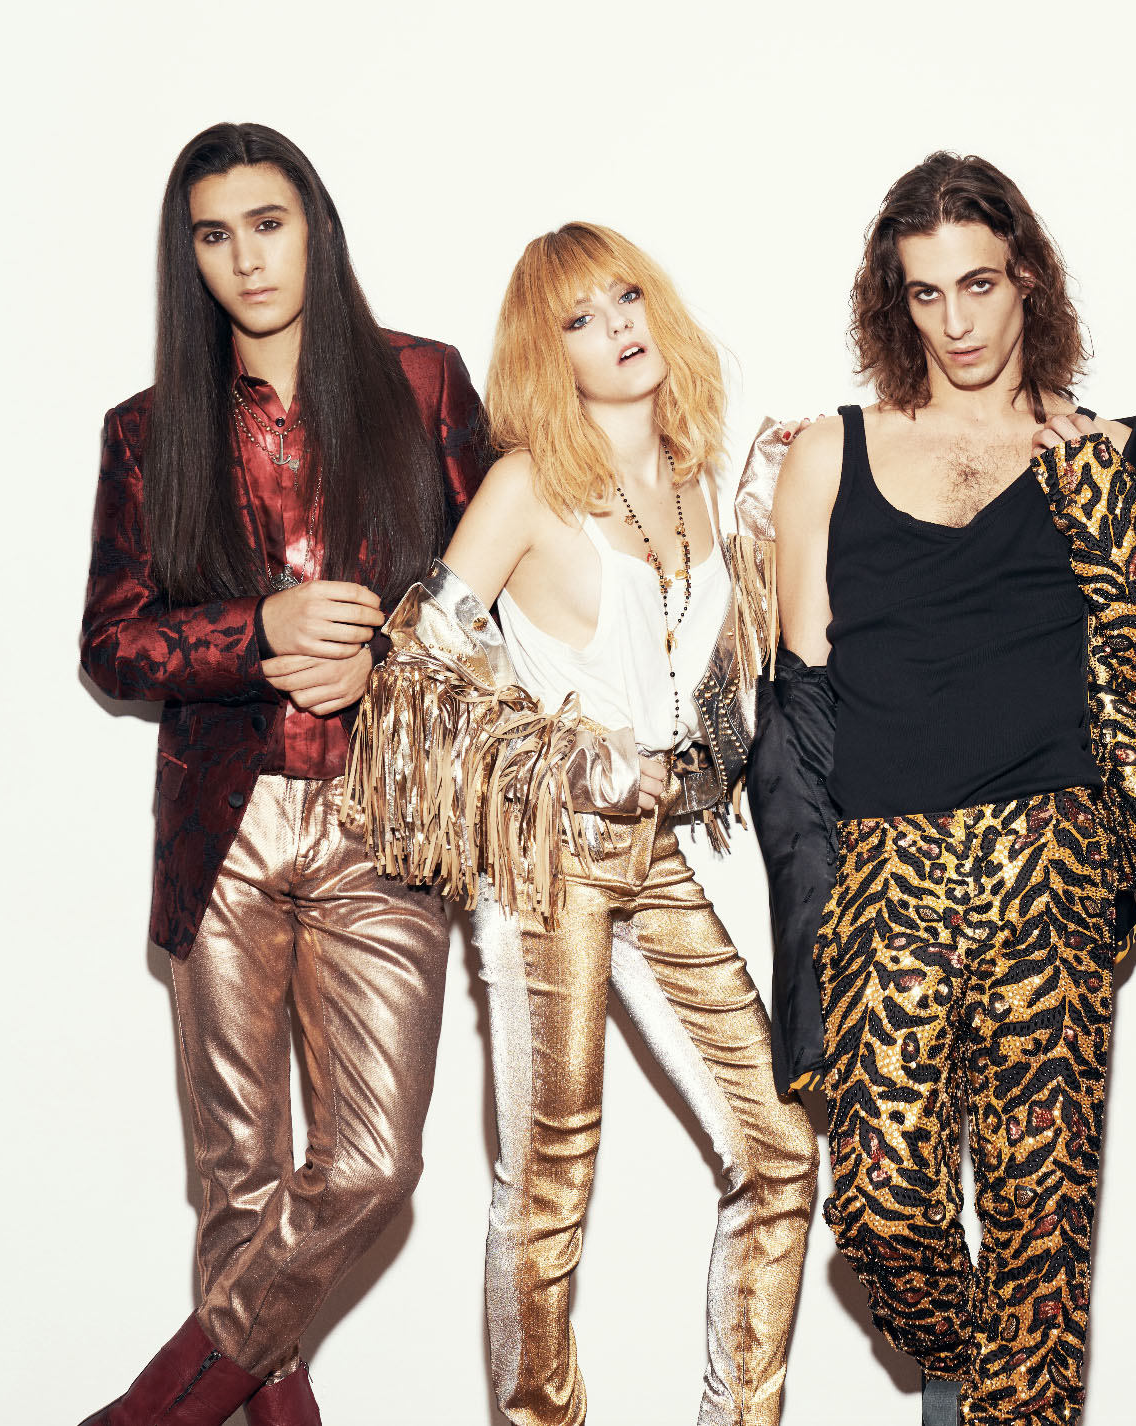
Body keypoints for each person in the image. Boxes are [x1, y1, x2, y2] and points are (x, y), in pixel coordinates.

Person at [340, 222, 816, 1426]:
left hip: (654, 854)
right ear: (547, 355)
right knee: (548, 1179)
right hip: (545, 858)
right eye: (580, 319)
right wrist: (568, 752)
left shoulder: (697, 477)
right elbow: (417, 670)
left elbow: (713, 677)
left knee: (778, 1152)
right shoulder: (526, 487)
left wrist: (768, 515)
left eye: (626, 298)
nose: (616, 328)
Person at [756, 152, 1136, 1426]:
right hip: (887, 869)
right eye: (925, 293)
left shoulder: (1103, 449)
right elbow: (800, 714)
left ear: (1028, 281)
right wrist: (806, 947)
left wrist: (1102, 503)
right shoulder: (830, 451)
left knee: (1040, 1234)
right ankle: (977, 1370)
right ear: (893, 302)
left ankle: (1003, 1391)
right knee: (880, 1205)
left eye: (979, 286)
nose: (955, 322)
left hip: (1054, 854)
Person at [77, 121, 487, 1426]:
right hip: (224, 827)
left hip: (386, 819)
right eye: (214, 235)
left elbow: (499, 604)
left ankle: (145, 1412)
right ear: (188, 257)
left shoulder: (423, 382)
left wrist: (383, 658)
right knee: (239, 1185)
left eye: (268, 223)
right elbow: (112, 643)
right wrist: (258, 630)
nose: (246, 258)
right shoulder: (149, 429)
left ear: (314, 225)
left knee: (371, 1164)